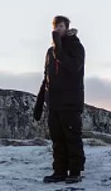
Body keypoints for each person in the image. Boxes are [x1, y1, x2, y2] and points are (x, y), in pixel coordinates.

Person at [33, 15, 86, 184]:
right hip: (53, 103)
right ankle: (59, 171)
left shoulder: (76, 47)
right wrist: (39, 104)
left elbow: (73, 68)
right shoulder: (50, 52)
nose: (58, 29)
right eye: (55, 27)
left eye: (61, 26)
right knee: (57, 139)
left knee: (72, 138)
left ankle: (75, 171)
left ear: (67, 28)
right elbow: (46, 78)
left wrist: (59, 50)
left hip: (70, 102)